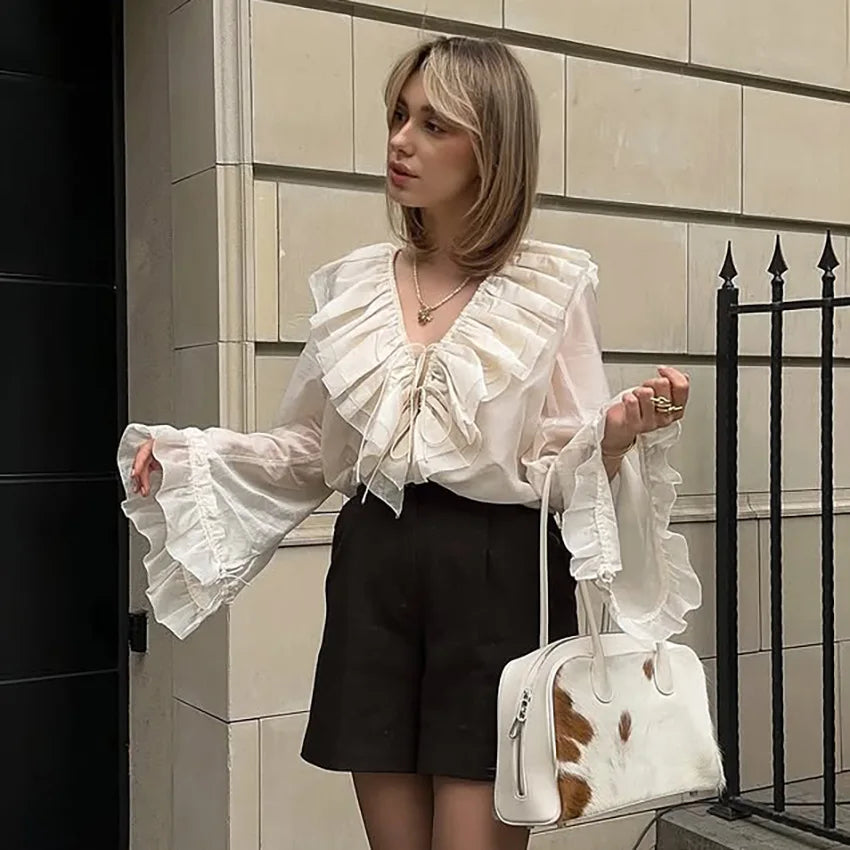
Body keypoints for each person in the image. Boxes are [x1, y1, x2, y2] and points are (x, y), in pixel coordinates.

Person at [122, 35, 699, 850]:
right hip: (374, 572)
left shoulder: (551, 286)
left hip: (495, 581)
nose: (401, 139)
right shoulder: (356, 284)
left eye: (434, 123)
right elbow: (316, 448)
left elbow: (559, 465)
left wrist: (613, 434)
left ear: (490, 146)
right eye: (400, 115)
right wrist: (201, 456)